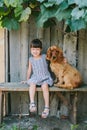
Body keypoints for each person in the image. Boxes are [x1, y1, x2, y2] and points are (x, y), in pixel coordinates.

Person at [26, 39, 53, 118]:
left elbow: (54, 60)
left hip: (45, 77)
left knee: (45, 86)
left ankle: (47, 107)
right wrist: (27, 79)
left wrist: (64, 60)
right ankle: (32, 103)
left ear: (41, 49)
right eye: (33, 49)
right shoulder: (31, 59)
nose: (35, 51)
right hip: (35, 77)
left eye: (37, 49)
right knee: (32, 84)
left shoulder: (44, 57)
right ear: (30, 50)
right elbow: (29, 70)